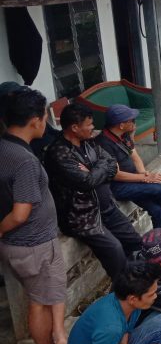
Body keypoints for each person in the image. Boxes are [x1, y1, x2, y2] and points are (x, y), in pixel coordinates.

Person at [0, 88, 67, 344]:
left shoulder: (5, 146)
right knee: (39, 301)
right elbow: (20, 214)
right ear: (34, 121)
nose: (46, 123)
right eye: (44, 117)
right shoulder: (24, 160)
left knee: (48, 295)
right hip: (33, 243)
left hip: (27, 244)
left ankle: (58, 336)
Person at [44, 104, 142, 280]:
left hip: (106, 207)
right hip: (83, 216)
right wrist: (98, 170)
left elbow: (111, 162)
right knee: (115, 249)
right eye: (89, 124)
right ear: (75, 128)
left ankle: (139, 280)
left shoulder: (88, 142)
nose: (92, 128)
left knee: (134, 241)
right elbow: (86, 182)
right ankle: (126, 290)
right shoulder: (58, 152)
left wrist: (93, 168)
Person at [95, 104, 161, 230]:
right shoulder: (104, 143)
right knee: (158, 189)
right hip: (117, 186)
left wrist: (144, 173)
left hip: (134, 180)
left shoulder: (123, 135)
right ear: (121, 125)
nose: (135, 122)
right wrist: (144, 178)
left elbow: (135, 157)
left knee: (157, 209)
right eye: (131, 120)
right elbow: (116, 174)